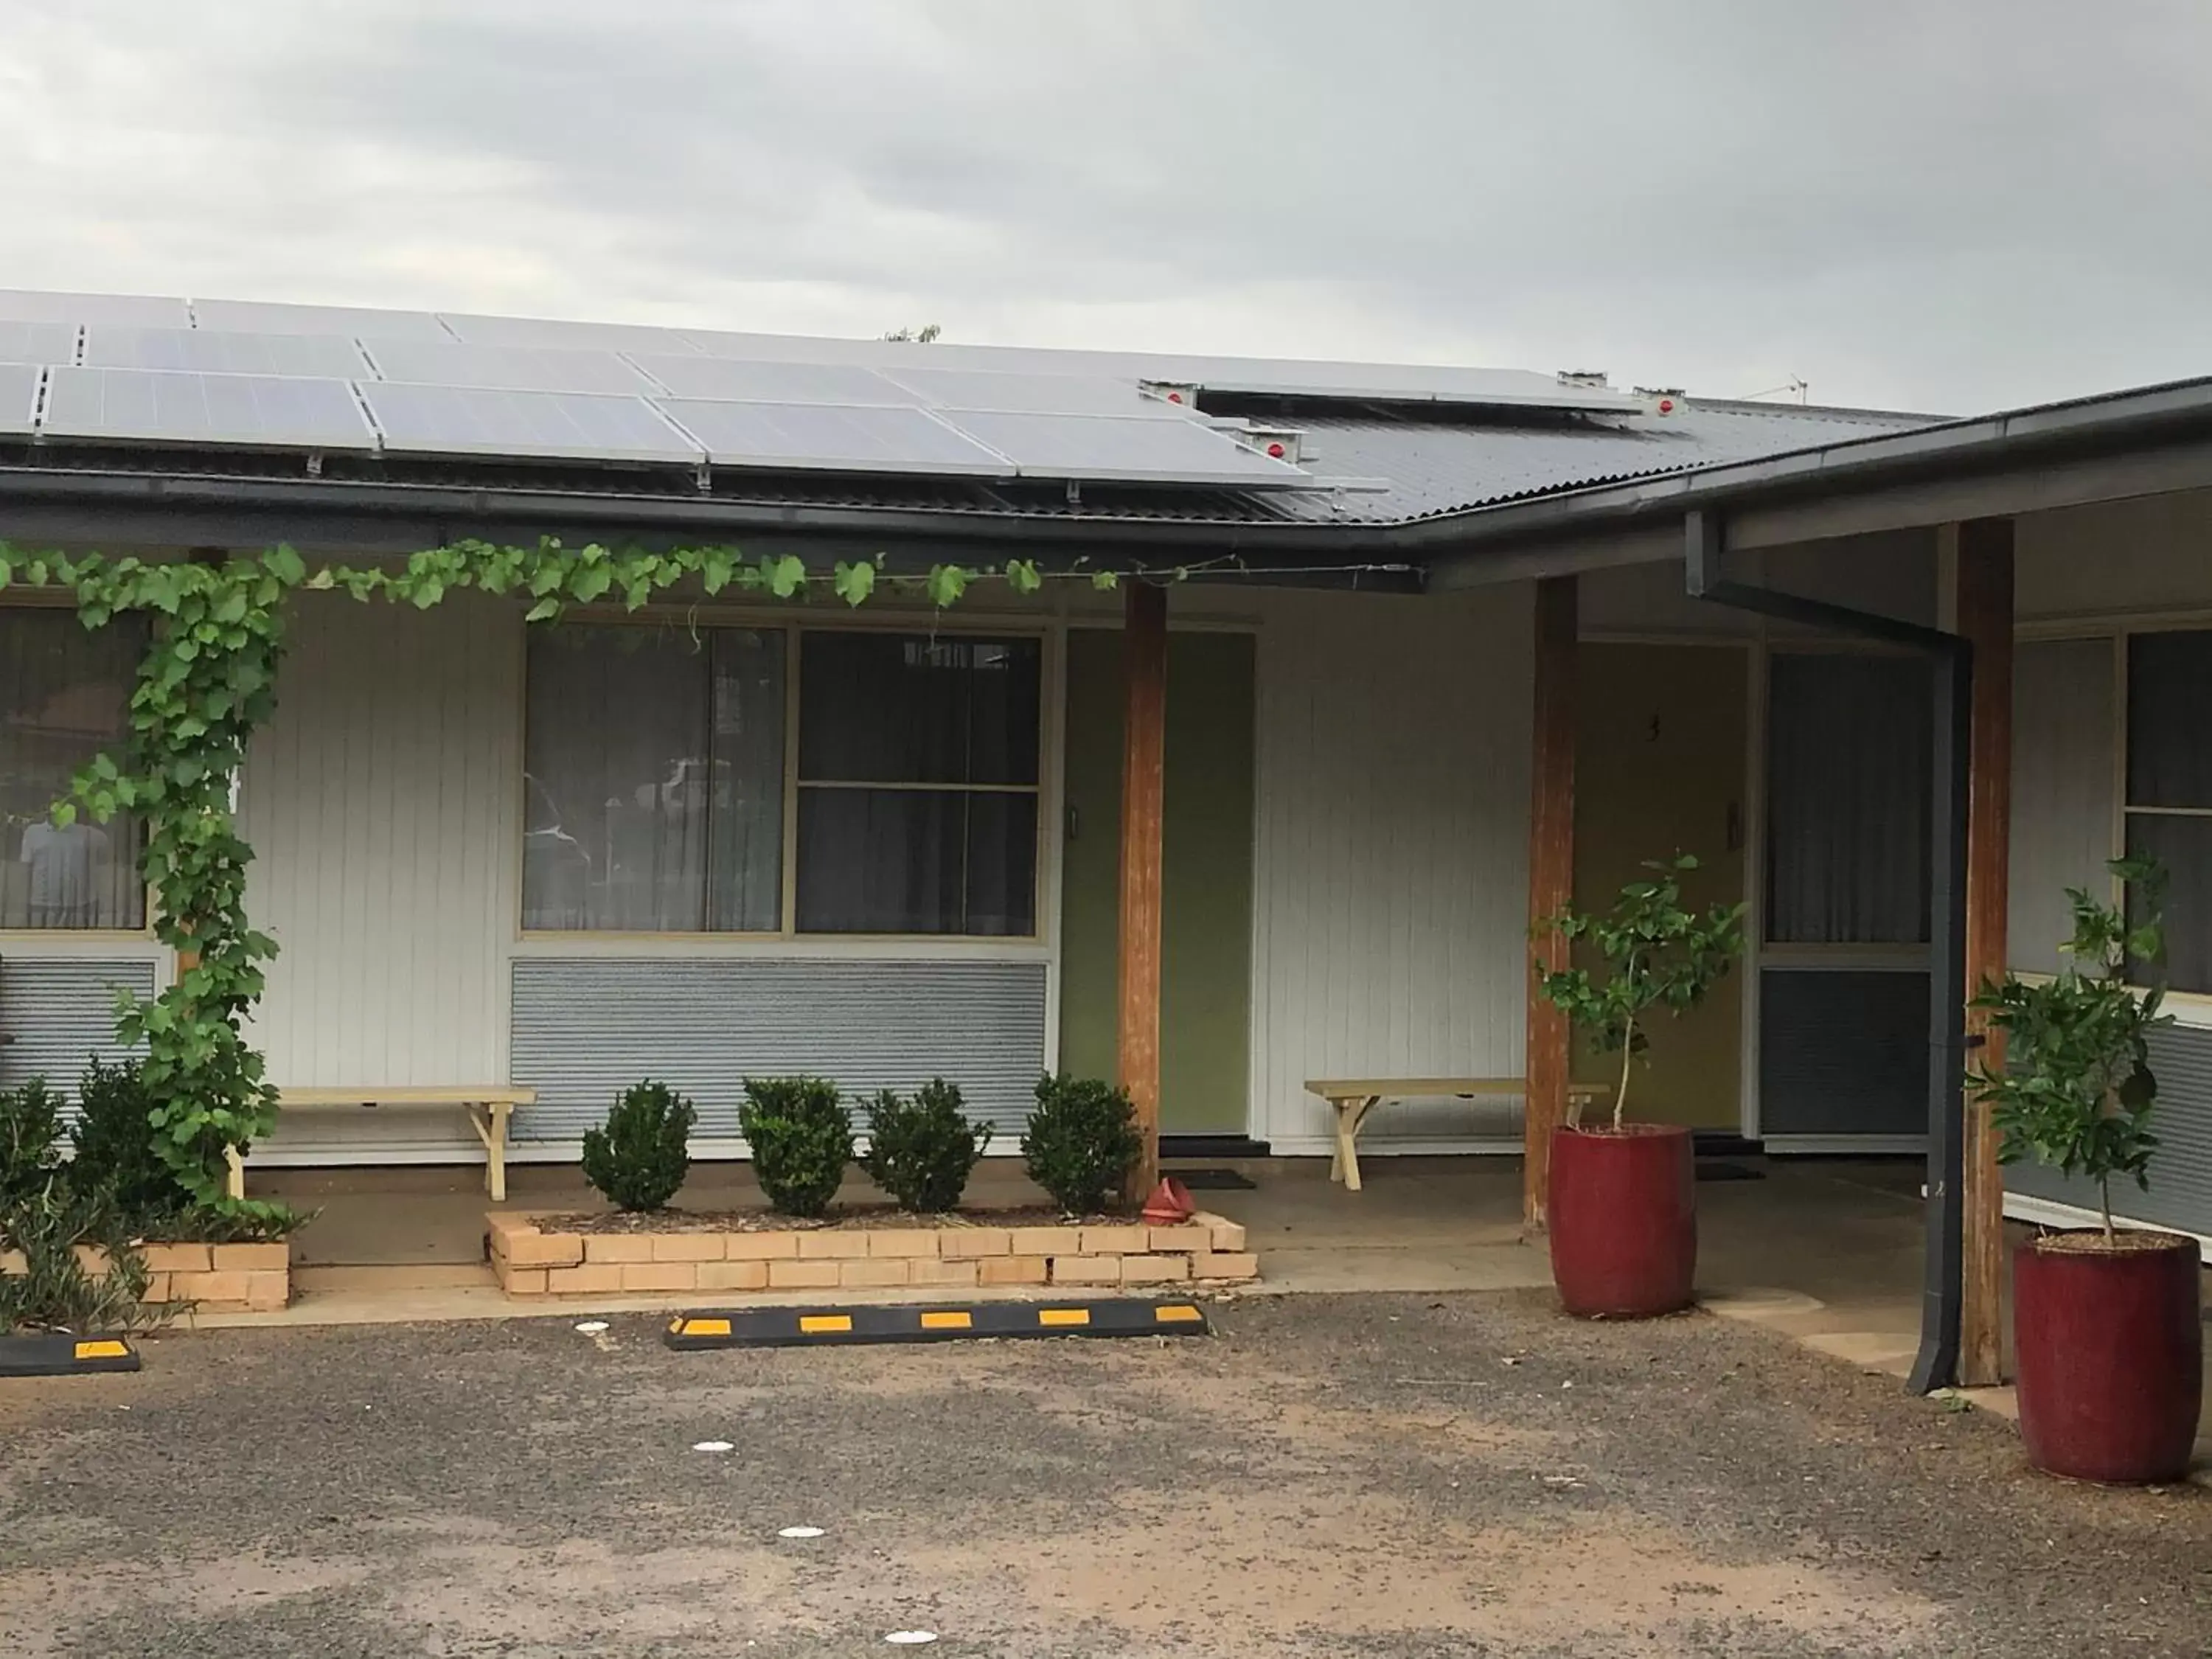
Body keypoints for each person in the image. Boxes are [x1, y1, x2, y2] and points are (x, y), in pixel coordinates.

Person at [19, 816, 112, 928]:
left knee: (77, 942)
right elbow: (25, 869)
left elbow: (103, 859)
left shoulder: (87, 833)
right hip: (41, 903)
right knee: (37, 940)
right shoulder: (33, 832)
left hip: (77, 905)